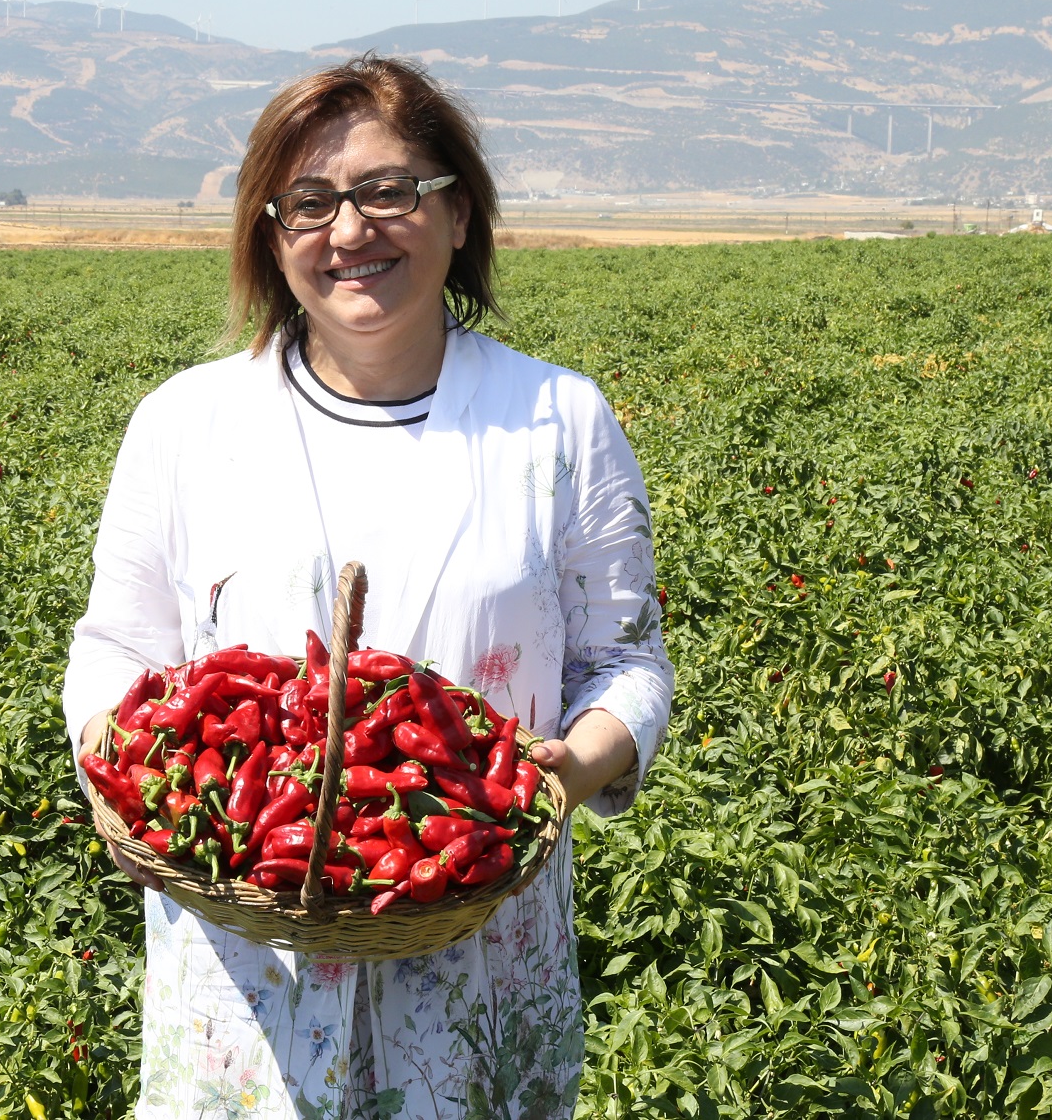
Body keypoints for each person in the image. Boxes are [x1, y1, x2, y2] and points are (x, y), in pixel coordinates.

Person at [63, 54, 673, 1119]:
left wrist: (565, 773)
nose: (349, 231)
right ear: (270, 234)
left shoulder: (556, 421)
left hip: (479, 948)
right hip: (242, 974)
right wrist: (129, 796)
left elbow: (625, 663)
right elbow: (116, 648)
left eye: (389, 191)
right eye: (309, 201)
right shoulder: (187, 424)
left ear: (456, 216)